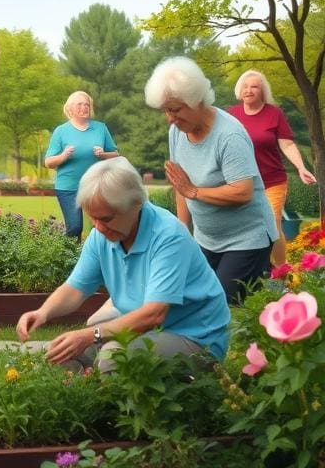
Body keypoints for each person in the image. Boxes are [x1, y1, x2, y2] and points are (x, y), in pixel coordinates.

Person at [16, 157, 230, 372]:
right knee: (59, 357)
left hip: (195, 338)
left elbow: (153, 314)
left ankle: (115, 401)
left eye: (106, 218)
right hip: (142, 331)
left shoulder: (168, 236)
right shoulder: (101, 235)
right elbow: (75, 289)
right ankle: (86, 397)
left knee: (114, 359)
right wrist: (43, 313)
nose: (98, 227)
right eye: (93, 218)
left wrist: (92, 335)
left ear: (136, 204)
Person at [145, 56, 278, 304]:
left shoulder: (229, 135)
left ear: (196, 100)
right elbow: (180, 185)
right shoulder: (177, 131)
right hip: (206, 240)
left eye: (174, 109)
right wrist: (182, 232)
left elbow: (242, 191)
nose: (170, 118)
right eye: (165, 111)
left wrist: (194, 191)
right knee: (192, 302)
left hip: (247, 239)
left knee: (224, 308)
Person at [228, 70, 317, 266]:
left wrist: (301, 168)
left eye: (254, 86)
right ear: (239, 89)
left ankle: (280, 274)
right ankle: (257, 273)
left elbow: (287, 144)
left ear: (262, 91)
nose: (248, 90)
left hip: (272, 181)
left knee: (271, 225)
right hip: (242, 183)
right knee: (247, 230)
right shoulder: (231, 115)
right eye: (245, 86)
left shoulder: (274, 114)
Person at [44, 91, 119, 239]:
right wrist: (64, 155)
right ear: (70, 108)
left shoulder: (100, 128)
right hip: (68, 187)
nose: (84, 107)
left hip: (95, 186)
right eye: (80, 104)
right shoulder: (61, 131)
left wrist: (103, 154)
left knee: (104, 226)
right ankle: (70, 259)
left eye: (87, 104)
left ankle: (99, 256)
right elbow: (48, 162)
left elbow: (116, 155)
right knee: (75, 228)